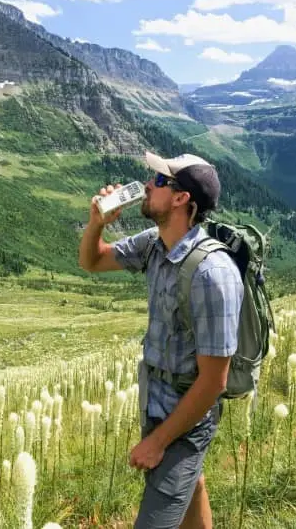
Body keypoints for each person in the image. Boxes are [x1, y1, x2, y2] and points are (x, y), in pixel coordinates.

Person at [78, 151, 244, 528]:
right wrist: (96, 224)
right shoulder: (154, 243)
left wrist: (157, 442)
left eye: (158, 181)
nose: (146, 185)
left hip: (188, 416)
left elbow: (213, 381)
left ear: (181, 198)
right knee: (192, 486)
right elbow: (93, 261)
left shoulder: (212, 273)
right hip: (155, 399)